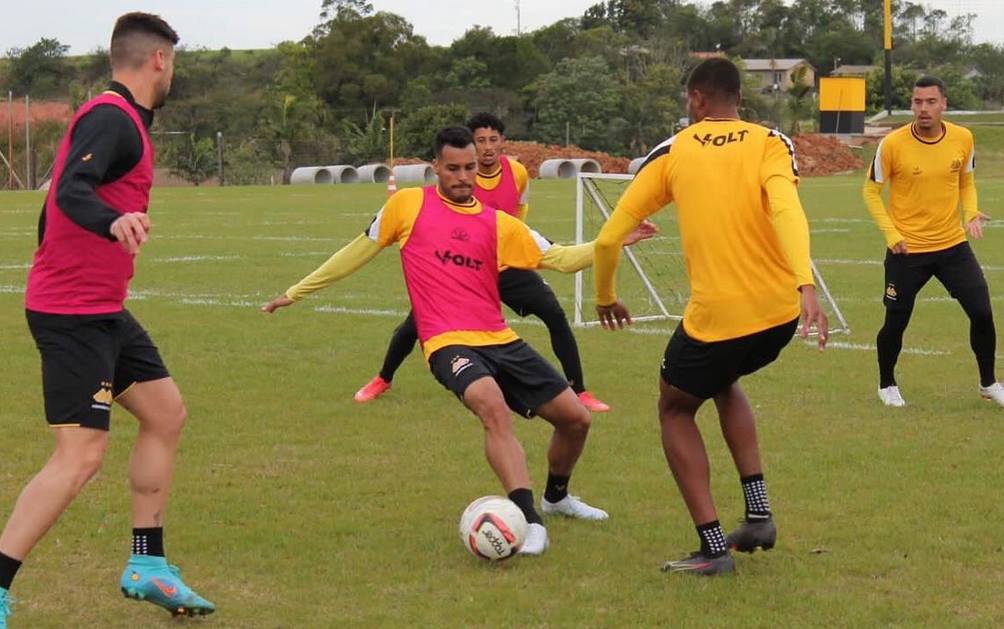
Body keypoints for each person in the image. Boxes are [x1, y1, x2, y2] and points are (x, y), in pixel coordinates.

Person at [263, 126, 656, 555]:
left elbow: (559, 258)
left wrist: (614, 239)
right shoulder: (406, 206)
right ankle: (529, 519)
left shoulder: (498, 224)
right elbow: (354, 253)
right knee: (492, 406)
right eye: (453, 169)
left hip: (499, 337)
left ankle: (556, 497)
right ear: (435, 168)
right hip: (447, 342)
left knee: (576, 419)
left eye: (469, 168)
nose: (464, 176)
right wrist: (294, 292)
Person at [0, 13, 214, 625]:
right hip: (72, 315)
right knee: (80, 456)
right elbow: (69, 189)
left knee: (165, 412)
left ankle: (146, 564)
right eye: (173, 62)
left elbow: (52, 209)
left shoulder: (120, 121)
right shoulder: (111, 118)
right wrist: (110, 223)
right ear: (158, 61)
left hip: (98, 309)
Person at [592, 58, 828, 576]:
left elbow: (610, 237)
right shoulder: (772, 141)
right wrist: (805, 284)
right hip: (778, 313)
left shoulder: (673, 151)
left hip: (719, 318)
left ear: (697, 99)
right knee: (723, 381)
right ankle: (759, 516)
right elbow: (787, 208)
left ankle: (714, 547)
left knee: (674, 408)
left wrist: (606, 295)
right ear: (738, 96)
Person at [354, 113, 612, 413]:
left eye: (493, 140)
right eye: (480, 141)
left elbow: (519, 216)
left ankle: (579, 390)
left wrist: (515, 251)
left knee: (554, 314)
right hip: (463, 269)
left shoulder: (517, 173)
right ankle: (383, 378)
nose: (488, 147)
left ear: (503, 142)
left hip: (505, 266)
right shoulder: (458, 179)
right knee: (413, 325)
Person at [863, 75, 1003, 408]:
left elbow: (966, 182)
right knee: (896, 320)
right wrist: (892, 234)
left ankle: (989, 383)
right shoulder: (893, 144)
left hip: (953, 247)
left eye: (930, 102)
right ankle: (887, 384)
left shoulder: (963, 138)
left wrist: (969, 213)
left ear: (944, 104)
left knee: (982, 312)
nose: (923, 109)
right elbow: (870, 191)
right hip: (907, 251)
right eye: (917, 102)